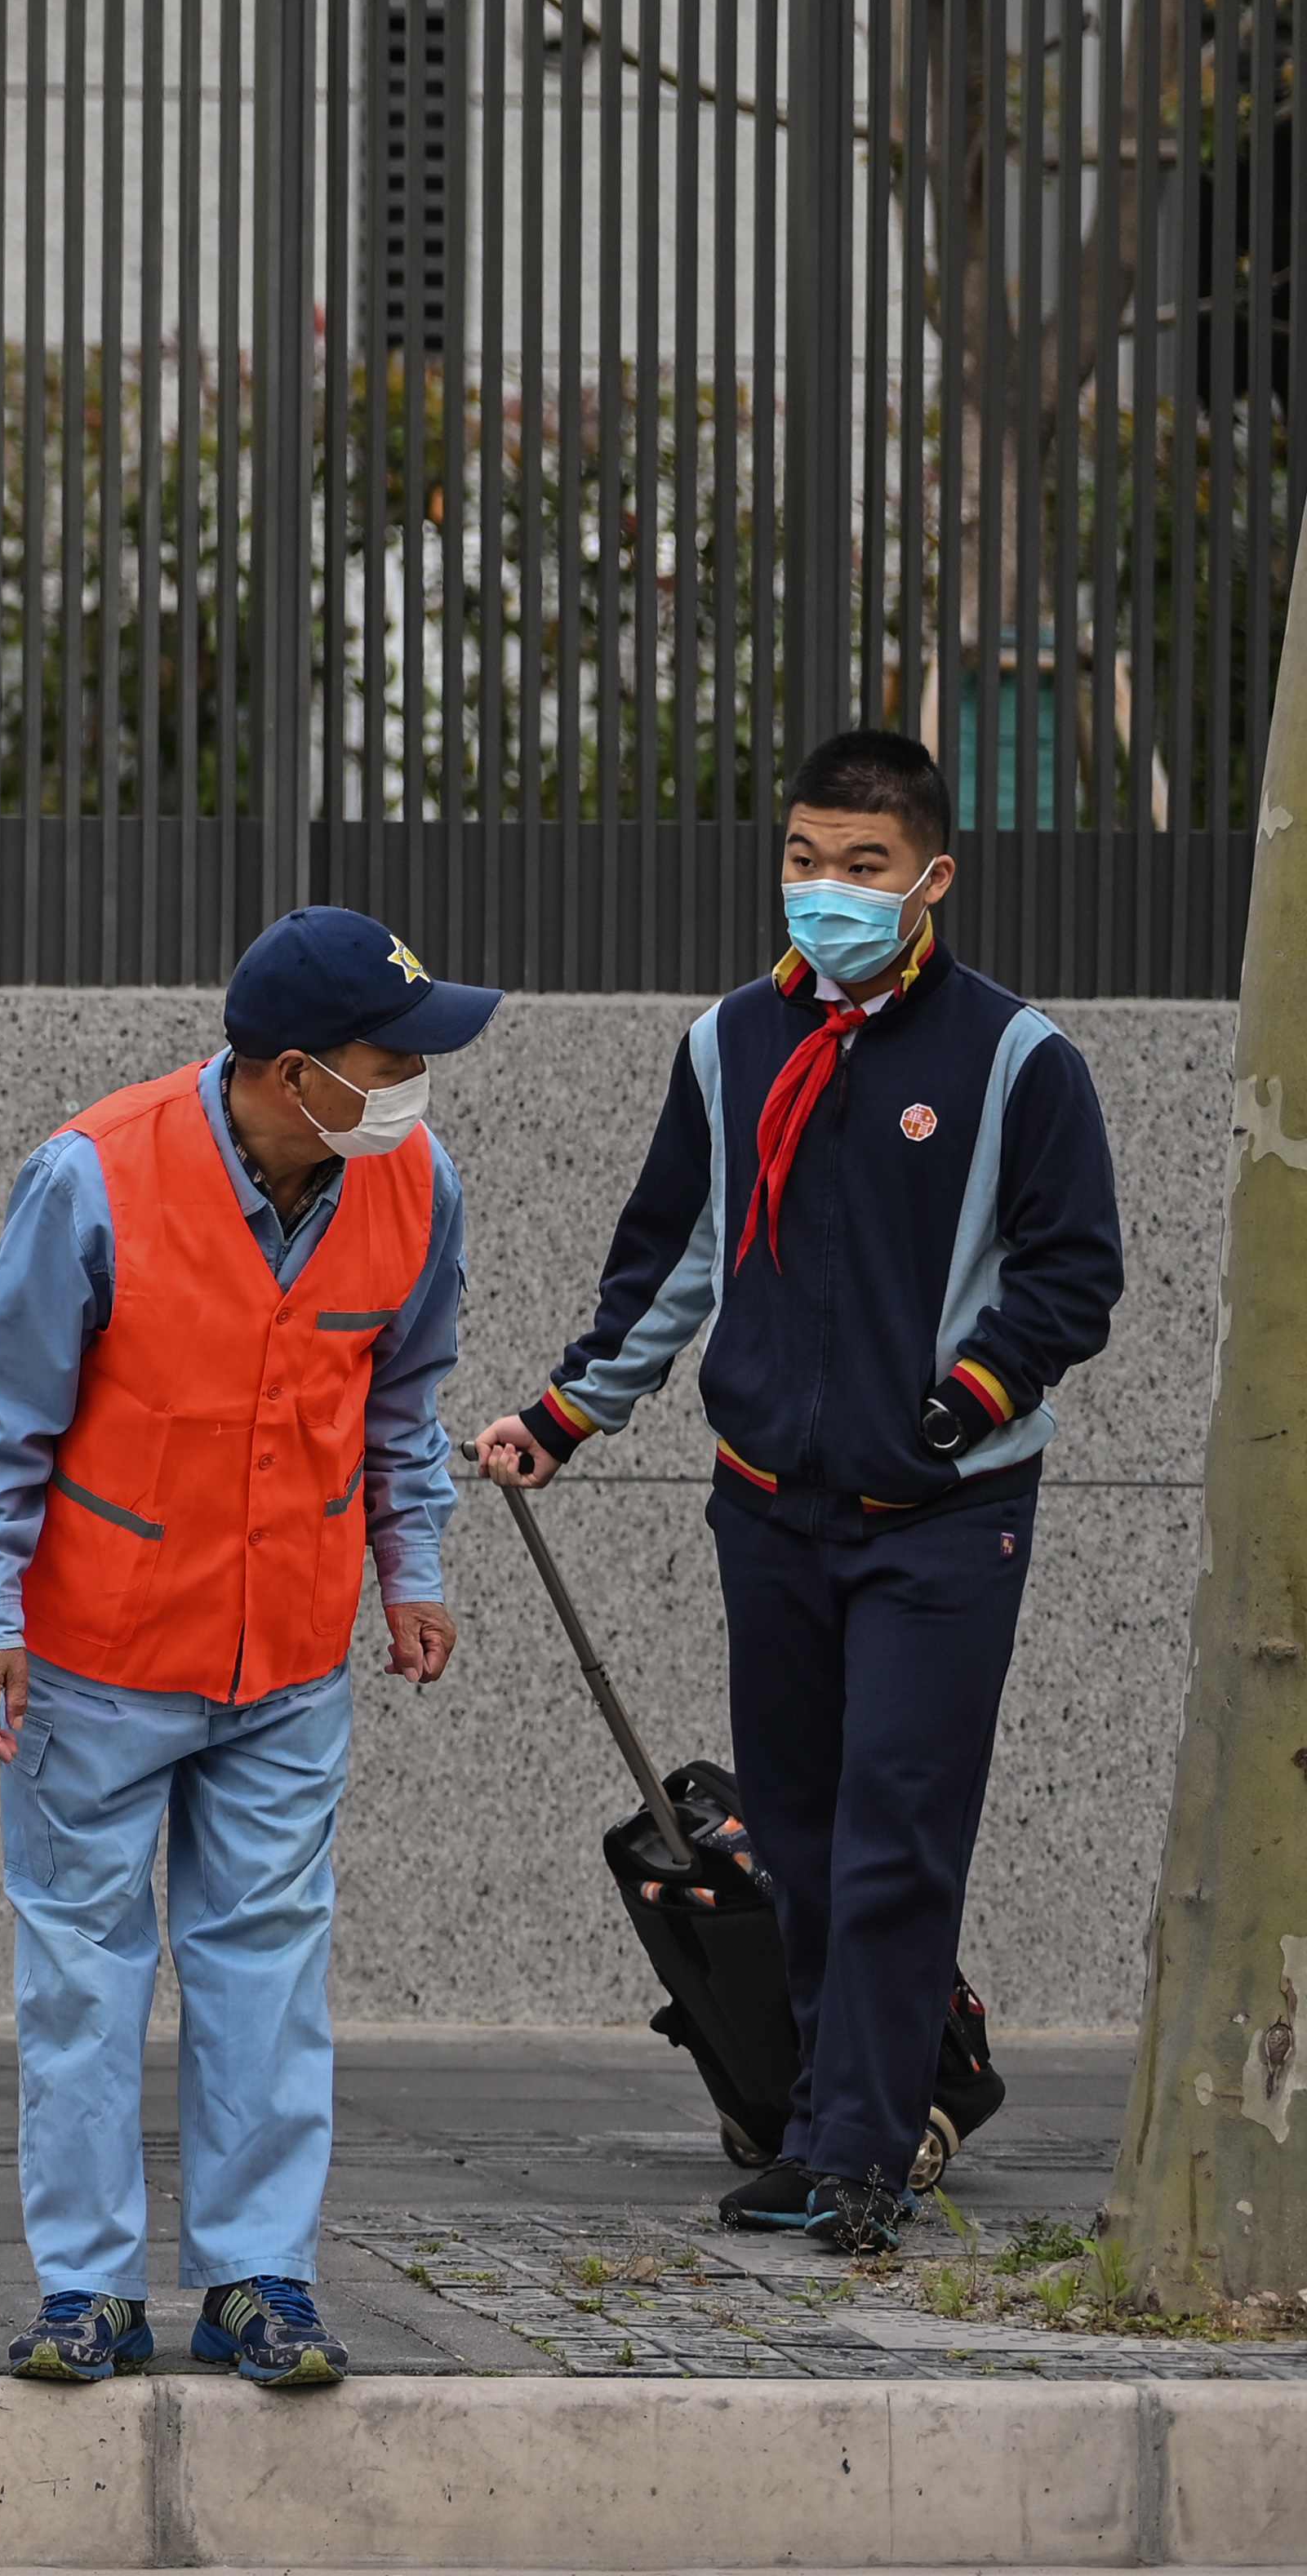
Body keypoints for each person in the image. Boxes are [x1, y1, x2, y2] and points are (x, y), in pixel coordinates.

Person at [477, 730, 1121, 2258]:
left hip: (946, 1514)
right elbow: (672, 1259)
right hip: (765, 1502)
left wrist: (963, 1401)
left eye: (864, 866)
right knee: (805, 1833)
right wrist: (564, 1418)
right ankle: (825, 2120)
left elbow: (1074, 1275)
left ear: (933, 879)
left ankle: (867, 2151)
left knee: (900, 1825)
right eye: (804, 859)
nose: (827, 890)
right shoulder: (725, 1047)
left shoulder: (1020, 1060)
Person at [0, 905, 494, 2395]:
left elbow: (401, 1405)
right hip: (99, 1652)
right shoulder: (95, 1177)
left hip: (288, 1658)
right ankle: (88, 2291)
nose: (416, 1087)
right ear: (295, 1072)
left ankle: (261, 2281)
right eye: (392, 1059)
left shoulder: (412, 1183)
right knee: (85, 1972)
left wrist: (408, 1570)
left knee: (266, 1967)